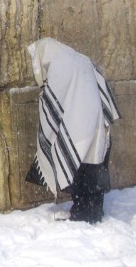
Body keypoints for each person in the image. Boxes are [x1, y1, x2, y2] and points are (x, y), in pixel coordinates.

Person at [25, 37, 120, 224]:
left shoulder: (61, 65)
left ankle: (83, 213)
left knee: (81, 171)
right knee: (94, 169)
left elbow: (53, 100)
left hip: (77, 128)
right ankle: (92, 210)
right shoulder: (81, 60)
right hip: (96, 124)